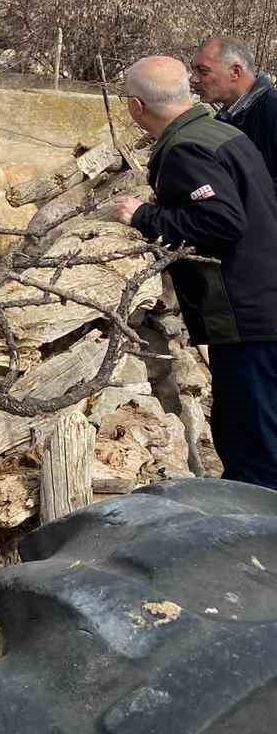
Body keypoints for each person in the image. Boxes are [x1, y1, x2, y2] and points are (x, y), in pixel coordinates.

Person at [111, 54, 277, 491]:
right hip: (263, 302)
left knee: (252, 450)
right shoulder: (222, 133)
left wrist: (145, 217)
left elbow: (222, 221)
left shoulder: (187, 150)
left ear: (136, 106)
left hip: (246, 317)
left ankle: (255, 549)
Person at [189, 36, 277, 189]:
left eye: (203, 71)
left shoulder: (271, 114)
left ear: (235, 72)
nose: (193, 79)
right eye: (193, 71)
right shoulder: (225, 119)